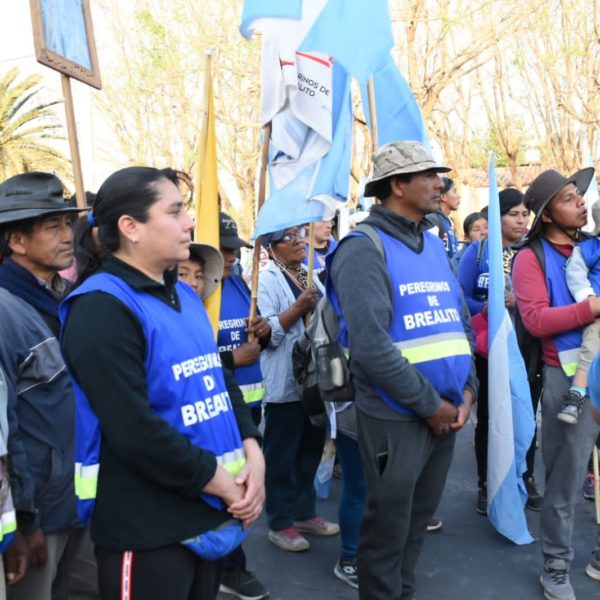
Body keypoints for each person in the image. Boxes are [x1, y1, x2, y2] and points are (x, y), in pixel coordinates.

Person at [60, 166, 264, 600]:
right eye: (175, 212)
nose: (189, 222)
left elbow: (219, 380)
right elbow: (133, 429)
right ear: (130, 227)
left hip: (206, 516)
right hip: (149, 531)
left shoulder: (185, 295)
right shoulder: (100, 307)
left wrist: (252, 448)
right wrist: (222, 482)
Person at [327, 141, 477, 599]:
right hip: (398, 416)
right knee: (386, 533)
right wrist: (431, 405)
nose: (441, 184)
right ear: (397, 185)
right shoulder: (362, 248)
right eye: (429, 175)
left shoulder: (431, 243)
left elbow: (460, 325)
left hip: (446, 414)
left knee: (414, 527)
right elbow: (371, 346)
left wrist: (467, 392)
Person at [0, 171, 99, 600]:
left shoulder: (69, 295)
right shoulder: (5, 311)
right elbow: (7, 427)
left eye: (68, 223)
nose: (67, 235)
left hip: (82, 499)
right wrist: (25, 521)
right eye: (52, 226)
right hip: (43, 509)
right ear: (17, 242)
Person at [512, 166, 600, 600]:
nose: (581, 201)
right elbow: (536, 320)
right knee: (565, 480)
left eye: (580, 195)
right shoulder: (531, 258)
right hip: (568, 380)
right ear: (546, 214)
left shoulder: (594, 247)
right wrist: (592, 308)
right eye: (569, 198)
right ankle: (556, 566)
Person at [457, 189, 542, 514]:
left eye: (525, 215)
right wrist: (486, 306)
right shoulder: (477, 253)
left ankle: (527, 476)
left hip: (527, 347)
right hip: (487, 351)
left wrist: (519, 302)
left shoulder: (533, 253)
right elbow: (460, 295)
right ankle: (486, 482)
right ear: (497, 218)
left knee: (527, 415)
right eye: (514, 214)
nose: (521, 221)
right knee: (490, 417)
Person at [257, 226, 339, 553]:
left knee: (309, 452)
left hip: (314, 383)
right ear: (272, 246)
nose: (300, 242)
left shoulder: (309, 276)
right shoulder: (266, 280)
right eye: (290, 238)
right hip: (284, 384)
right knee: (281, 456)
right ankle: (279, 523)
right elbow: (266, 334)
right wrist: (297, 307)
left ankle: (305, 514)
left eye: (301, 235)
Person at [216, 213, 270, 600]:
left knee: (244, 486)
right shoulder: (195, 291)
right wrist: (234, 359)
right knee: (227, 492)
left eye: (235, 249)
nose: (232, 256)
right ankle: (231, 568)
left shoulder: (236, 281)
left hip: (248, 405)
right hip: (216, 410)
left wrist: (263, 331)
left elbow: (248, 336)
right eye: (223, 249)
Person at [561, 196, 600, 424]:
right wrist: (589, 299)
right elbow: (575, 274)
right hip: (597, 310)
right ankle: (577, 393)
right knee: (592, 345)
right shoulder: (589, 249)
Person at [427, 176, 461, 259]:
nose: (459, 196)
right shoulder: (432, 221)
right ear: (443, 197)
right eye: (454, 191)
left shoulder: (449, 222)